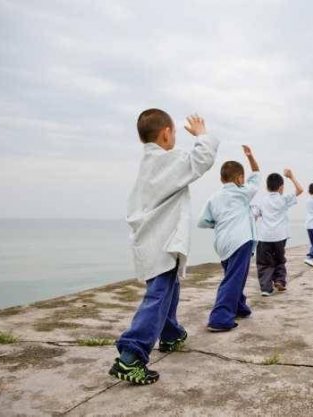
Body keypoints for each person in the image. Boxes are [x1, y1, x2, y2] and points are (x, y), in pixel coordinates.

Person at [110, 110, 219, 385]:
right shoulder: (166, 161)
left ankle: (171, 335)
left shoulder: (149, 164)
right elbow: (201, 160)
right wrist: (202, 135)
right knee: (159, 296)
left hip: (152, 244)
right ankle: (131, 355)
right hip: (161, 243)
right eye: (175, 133)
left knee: (168, 290)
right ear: (167, 134)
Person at [197, 145, 260, 332]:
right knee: (233, 279)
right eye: (242, 178)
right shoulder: (243, 192)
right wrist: (250, 157)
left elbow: (203, 221)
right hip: (240, 241)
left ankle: (240, 307)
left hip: (222, 243)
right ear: (240, 179)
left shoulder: (214, 197)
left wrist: (217, 224)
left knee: (233, 275)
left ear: (221, 179)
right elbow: (256, 175)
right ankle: (220, 318)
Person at [255, 169, 303, 296]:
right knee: (279, 260)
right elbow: (300, 190)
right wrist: (291, 176)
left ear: (267, 187)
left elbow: (254, 215)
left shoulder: (261, 200)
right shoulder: (284, 199)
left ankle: (266, 288)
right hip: (280, 236)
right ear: (281, 187)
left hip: (264, 236)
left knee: (264, 263)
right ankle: (279, 280)